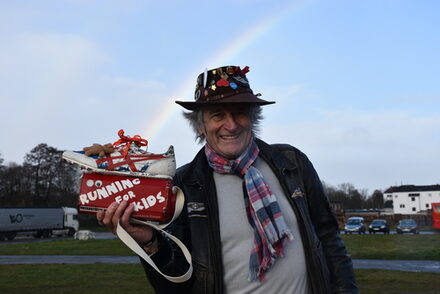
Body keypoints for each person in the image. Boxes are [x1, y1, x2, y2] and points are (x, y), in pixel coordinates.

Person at [94, 65, 359, 293]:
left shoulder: (292, 163)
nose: (230, 125)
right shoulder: (183, 185)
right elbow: (174, 286)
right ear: (200, 125)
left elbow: (329, 239)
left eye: (239, 112)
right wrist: (149, 243)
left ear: (253, 117)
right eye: (217, 115)